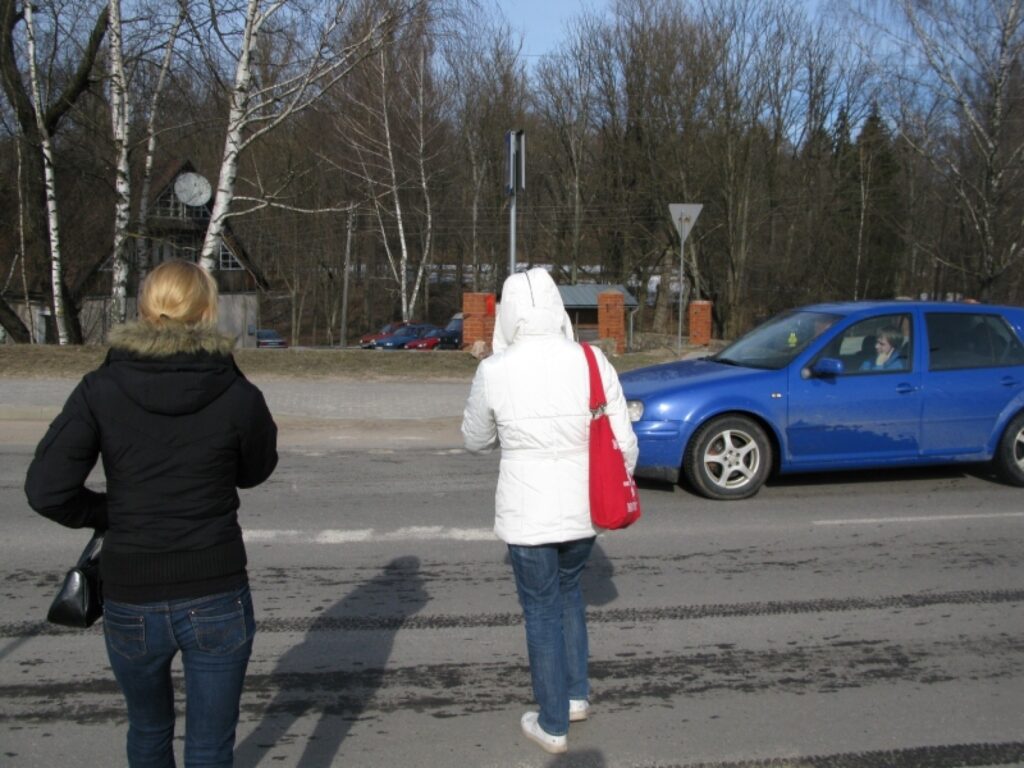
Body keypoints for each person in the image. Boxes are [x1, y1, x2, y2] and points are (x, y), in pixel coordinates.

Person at [25, 259, 278, 767]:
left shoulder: (102, 386)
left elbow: (47, 490)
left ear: (144, 309)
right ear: (207, 311)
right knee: (209, 747)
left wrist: (111, 511)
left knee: (148, 728)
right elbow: (255, 469)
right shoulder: (235, 392)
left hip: (131, 591)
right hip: (215, 587)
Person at [461, 267, 638, 755]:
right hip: (584, 508)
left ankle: (553, 723)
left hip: (526, 512)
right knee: (569, 595)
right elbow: (624, 441)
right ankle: (576, 696)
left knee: (540, 609)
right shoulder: (590, 359)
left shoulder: (495, 369)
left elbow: (474, 440)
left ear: (510, 313)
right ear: (558, 307)